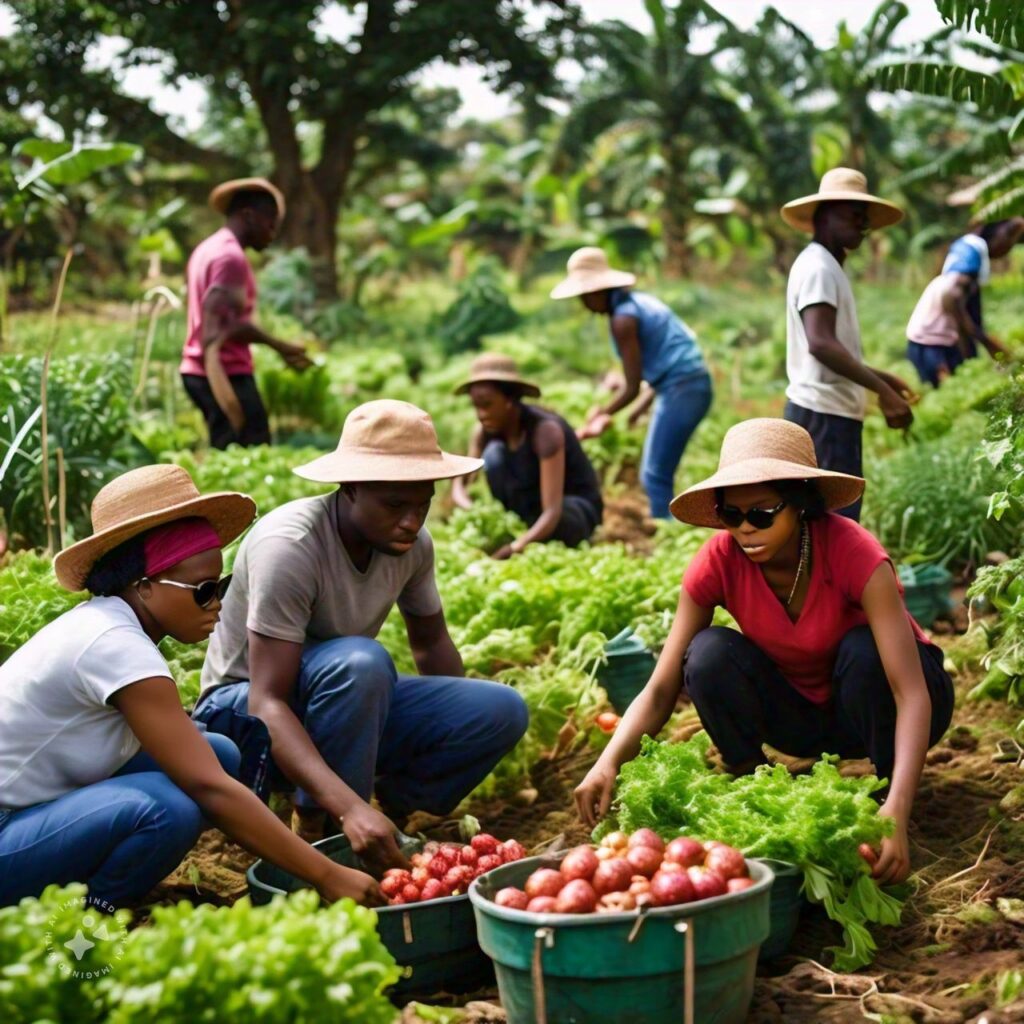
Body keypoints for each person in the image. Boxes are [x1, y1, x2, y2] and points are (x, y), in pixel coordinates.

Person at [575, 419, 954, 885]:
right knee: (708, 651)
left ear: (799, 504)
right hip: (802, 716)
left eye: (762, 513)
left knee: (864, 650)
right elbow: (661, 688)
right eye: (732, 516)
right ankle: (754, 782)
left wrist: (897, 807)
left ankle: (887, 797)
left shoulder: (854, 552)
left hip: (889, 703)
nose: (745, 529)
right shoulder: (717, 561)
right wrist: (607, 762)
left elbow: (909, 690)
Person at [0, 465, 382, 909]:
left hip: (32, 803)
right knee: (168, 810)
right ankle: (79, 922)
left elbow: (207, 771)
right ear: (144, 588)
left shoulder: (106, 624)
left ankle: (81, 876)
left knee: (218, 752)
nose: (218, 605)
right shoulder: (115, 647)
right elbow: (211, 792)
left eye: (220, 586)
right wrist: (327, 874)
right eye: (203, 591)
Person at [193, 400, 529, 868]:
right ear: (349, 488)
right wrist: (347, 805)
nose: (412, 521)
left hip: (337, 704)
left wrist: (459, 732)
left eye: (423, 503)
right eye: (394, 505)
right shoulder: (289, 547)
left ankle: (391, 809)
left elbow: (431, 645)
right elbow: (266, 702)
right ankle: (320, 826)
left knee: (500, 708)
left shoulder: (411, 545)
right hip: (243, 717)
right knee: (362, 662)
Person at [780, 167, 915, 522]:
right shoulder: (819, 268)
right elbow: (821, 344)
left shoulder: (823, 264)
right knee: (832, 523)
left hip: (827, 413)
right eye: (852, 215)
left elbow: (829, 348)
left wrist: (884, 378)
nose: (861, 225)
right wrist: (881, 391)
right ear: (824, 216)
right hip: (823, 416)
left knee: (825, 522)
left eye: (864, 219)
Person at [549, 247, 713, 520]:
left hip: (682, 388)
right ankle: (669, 526)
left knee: (654, 475)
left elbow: (632, 385)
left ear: (595, 292)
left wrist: (602, 413)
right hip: (689, 384)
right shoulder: (639, 302)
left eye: (584, 297)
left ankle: (667, 533)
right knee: (658, 472)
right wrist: (638, 410)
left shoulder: (623, 320)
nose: (584, 304)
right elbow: (661, 365)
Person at [180, 176, 312, 449]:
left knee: (229, 449)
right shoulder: (230, 258)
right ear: (249, 216)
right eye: (270, 223)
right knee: (249, 450)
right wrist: (282, 346)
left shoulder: (208, 248)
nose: (272, 233)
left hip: (200, 370)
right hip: (222, 373)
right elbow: (224, 329)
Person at [451, 353, 603, 556]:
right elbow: (460, 485)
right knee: (493, 457)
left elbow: (552, 511)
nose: (481, 414)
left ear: (509, 400)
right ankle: (529, 532)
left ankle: (539, 538)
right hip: (533, 510)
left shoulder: (545, 431)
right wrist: (473, 510)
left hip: (570, 510)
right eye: (476, 406)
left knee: (563, 518)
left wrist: (515, 548)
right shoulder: (483, 431)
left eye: (487, 404)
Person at [905, 266, 1009, 388]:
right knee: (946, 387)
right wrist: (995, 351)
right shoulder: (953, 290)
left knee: (940, 387)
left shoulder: (943, 280)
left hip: (919, 341)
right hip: (932, 345)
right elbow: (966, 327)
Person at [938, 217, 1024, 361]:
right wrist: (985, 341)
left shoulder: (966, 246)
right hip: (941, 346)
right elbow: (951, 295)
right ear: (999, 235)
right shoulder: (971, 252)